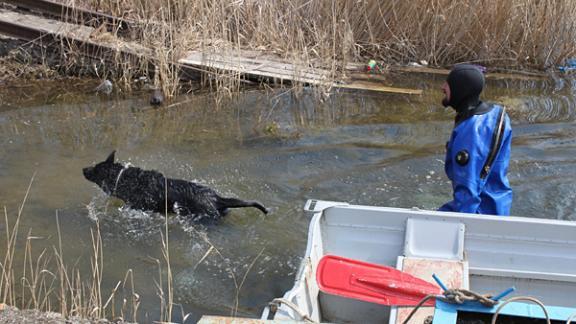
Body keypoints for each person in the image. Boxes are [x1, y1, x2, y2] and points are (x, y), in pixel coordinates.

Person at [438, 64, 513, 216]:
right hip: (498, 206)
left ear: (460, 89)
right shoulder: (494, 114)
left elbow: (468, 192)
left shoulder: (471, 133)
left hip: (481, 214)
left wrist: (461, 225)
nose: (442, 87)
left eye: (448, 83)